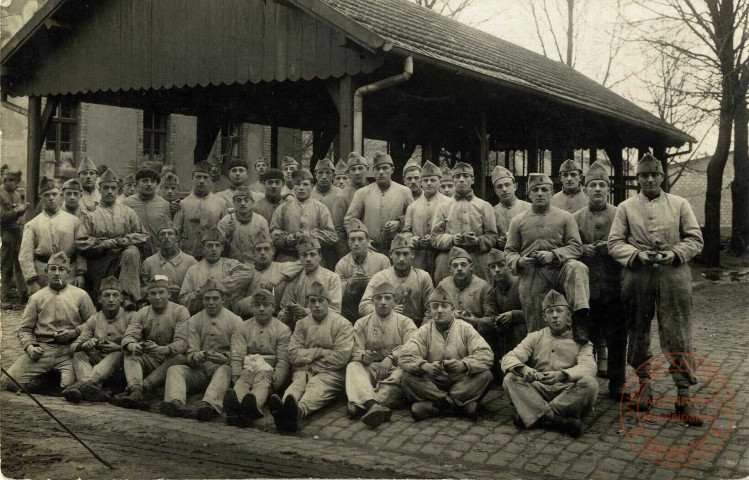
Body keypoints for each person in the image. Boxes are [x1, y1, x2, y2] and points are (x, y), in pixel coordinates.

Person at [608, 153, 704, 424]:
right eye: (643, 175)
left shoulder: (680, 204)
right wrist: (636, 255)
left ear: (662, 177)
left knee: (678, 329)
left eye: (654, 175)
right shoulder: (625, 207)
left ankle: (683, 394)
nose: (649, 179)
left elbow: (695, 239)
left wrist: (674, 254)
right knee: (637, 328)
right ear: (637, 179)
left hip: (674, 276)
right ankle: (644, 385)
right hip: (637, 276)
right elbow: (614, 243)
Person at [505, 173, 591, 343]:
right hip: (532, 274)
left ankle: (581, 317)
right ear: (528, 194)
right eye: (535, 190)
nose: (539, 193)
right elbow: (509, 251)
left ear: (552, 193)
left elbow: (576, 247)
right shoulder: (518, 221)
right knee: (538, 330)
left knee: (578, 267)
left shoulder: (566, 217)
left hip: (559, 269)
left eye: (544, 189)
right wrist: (520, 261)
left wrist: (553, 255)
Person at [501, 290, 598, 438]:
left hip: (566, 390)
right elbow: (509, 357)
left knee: (590, 384)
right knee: (510, 379)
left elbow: (589, 367)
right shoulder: (535, 337)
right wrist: (524, 369)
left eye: (559, 311)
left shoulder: (581, 341)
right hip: (539, 388)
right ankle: (557, 420)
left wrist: (562, 375)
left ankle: (534, 414)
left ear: (568, 315)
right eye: (550, 311)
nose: (554, 315)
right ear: (544, 317)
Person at [0, 252, 96, 392]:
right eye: (53, 269)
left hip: (68, 351)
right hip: (43, 350)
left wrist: (73, 332)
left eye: (61, 269)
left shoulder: (81, 295)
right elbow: (24, 329)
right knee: (9, 381)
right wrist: (30, 347)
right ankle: (46, 379)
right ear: (46, 272)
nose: (57, 273)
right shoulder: (37, 297)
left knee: (69, 385)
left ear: (68, 273)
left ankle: (51, 380)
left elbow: (93, 323)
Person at [268, 281, 354, 432]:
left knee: (316, 387)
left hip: (331, 374)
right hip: (304, 370)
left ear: (329, 302)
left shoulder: (343, 324)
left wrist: (309, 360)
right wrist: (319, 352)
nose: (317, 305)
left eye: (321, 301)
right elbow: (293, 354)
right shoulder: (302, 324)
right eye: (312, 301)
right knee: (297, 385)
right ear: (307, 303)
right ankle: (283, 409)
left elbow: (340, 358)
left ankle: (298, 412)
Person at [399, 285, 494, 421]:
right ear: (430, 311)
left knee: (486, 376)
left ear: (453, 310)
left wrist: (464, 365)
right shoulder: (424, 331)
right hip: (433, 382)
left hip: (461, 380)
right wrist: (425, 366)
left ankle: (434, 407)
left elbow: (486, 354)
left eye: (444, 306)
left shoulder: (465, 328)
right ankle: (460, 406)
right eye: (435, 306)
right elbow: (405, 356)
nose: (440, 311)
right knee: (407, 377)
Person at [573, 160, 624, 390]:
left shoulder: (620, 214)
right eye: (592, 185)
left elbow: (628, 244)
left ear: (608, 189)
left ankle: (617, 383)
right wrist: (583, 249)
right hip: (586, 290)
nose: (597, 189)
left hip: (615, 287)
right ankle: (586, 382)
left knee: (616, 337)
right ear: (585, 190)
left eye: (602, 184)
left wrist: (612, 247)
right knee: (586, 338)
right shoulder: (575, 218)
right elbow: (569, 247)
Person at [162, 280, 242, 421]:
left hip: (222, 372)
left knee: (225, 369)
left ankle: (209, 404)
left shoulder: (235, 321)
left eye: (215, 298)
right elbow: (191, 351)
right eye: (207, 299)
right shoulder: (194, 320)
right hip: (200, 371)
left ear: (223, 300)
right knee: (174, 370)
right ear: (202, 300)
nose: (211, 302)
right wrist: (196, 356)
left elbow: (239, 353)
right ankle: (176, 403)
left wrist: (225, 358)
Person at [346, 282, 418, 428]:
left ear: (394, 302)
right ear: (372, 301)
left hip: (394, 370)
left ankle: (361, 402)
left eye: (387, 298)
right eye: (378, 298)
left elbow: (413, 347)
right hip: (371, 368)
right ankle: (374, 405)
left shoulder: (405, 322)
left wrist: (391, 357)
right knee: (353, 366)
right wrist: (363, 356)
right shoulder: (361, 323)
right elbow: (355, 350)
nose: (383, 302)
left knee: (405, 373)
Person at [115, 275, 190, 409]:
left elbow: (183, 343)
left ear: (169, 294)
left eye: (161, 293)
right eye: (153, 293)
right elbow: (128, 337)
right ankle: (136, 389)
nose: (157, 297)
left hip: (169, 359)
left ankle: (139, 390)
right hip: (151, 358)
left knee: (180, 358)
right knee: (130, 353)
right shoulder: (142, 312)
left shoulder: (180, 311)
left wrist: (162, 349)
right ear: (148, 296)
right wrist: (134, 345)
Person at [76, 169, 148, 308]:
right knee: (103, 306)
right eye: (106, 188)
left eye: (113, 188)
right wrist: (103, 244)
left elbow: (143, 235)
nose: (109, 191)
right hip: (100, 265)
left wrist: (128, 239)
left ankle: (128, 298)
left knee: (131, 251)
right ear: (100, 190)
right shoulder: (91, 215)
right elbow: (81, 242)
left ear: (118, 190)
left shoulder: (127, 212)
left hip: (124, 264)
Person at [223, 289, 291, 427]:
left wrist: (275, 382)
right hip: (247, 368)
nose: (261, 309)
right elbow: (237, 355)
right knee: (242, 382)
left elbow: (283, 361)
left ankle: (252, 407)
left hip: (269, 371)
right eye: (257, 305)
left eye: (266, 305)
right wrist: (236, 375)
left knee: (262, 383)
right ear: (251, 307)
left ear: (273, 307)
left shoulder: (283, 330)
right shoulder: (242, 327)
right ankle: (235, 407)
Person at [64, 276, 130, 403]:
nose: (111, 300)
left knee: (116, 354)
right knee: (79, 354)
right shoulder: (94, 320)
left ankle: (82, 386)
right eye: (106, 295)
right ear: (99, 299)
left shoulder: (131, 317)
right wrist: (85, 344)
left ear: (121, 298)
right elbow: (73, 347)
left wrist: (118, 347)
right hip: (99, 366)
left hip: (121, 370)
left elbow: (140, 344)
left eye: (115, 295)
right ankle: (93, 389)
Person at [431, 162, 498, 284]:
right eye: (457, 177)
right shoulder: (443, 207)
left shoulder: (484, 206)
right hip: (449, 261)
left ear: (472, 180)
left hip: (477, 260)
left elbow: (493, 237)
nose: (461, 180)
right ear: (453, 180)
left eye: (466, 176)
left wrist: (478, 241)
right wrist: (452, 239)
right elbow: (435, 237)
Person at [20, 177, 86, 295]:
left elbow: (81, 250)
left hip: (68, 273)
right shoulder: (32, 224)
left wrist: (80, 274)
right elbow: (25, 255)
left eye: (54, 194)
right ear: (41, 197)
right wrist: (32, 281)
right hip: (43, 275)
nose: (51, 198)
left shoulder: (74, 221)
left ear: (60, 196)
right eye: (46, 195)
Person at [344, 152, 413, 253]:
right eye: (377, 168)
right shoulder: (362, 193)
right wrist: (364, 241)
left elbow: (413, 217)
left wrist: (399, 223)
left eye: (385, 168)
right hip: (370, 249)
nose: (381, 172)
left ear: (392, 170)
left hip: (397, 249)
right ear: (373, 171)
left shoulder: (404, 191)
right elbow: (349, 221)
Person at [360, 233, 434, 327]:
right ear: (390, 255)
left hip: (417, 327)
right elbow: (363, 306)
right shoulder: (380, 277)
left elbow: (431, 309)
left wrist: (422, 332)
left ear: (413, 254)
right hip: (386, 325)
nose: (401, 259)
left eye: (405, 254)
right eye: (397, 254)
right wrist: (386, 310)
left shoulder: (423, 277)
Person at [178, 227, 254, 315]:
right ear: (203, 248)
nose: (214, 249)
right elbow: (183, 300)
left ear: (222, 248)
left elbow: (249, 273)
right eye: (210, 245)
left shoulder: (230, 264)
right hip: (201, 317)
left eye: (217, 245)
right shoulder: (193, 269)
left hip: (228, 315)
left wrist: (221, 285)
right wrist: (200, 294)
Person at [270, 169, 337, 264]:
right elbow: (272, 234)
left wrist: (311, 235)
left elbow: (332, 236)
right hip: (288, 259)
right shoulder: (282, 208)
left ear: (312, 186)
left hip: (314, 260)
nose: (301, 188)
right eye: (297, 184)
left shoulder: (321, 208)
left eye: (305, 184)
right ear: (293, 186)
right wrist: (288, 239)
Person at [435, 246, 497, 346]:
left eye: (463, 265)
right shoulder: (443, 285)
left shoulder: (484, 287)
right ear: (450, 269)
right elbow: (433, 312)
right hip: (448, 336)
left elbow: (492, 320)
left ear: (471, 266)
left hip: (476, 337)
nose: (459, 269)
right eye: (455, 266)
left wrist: (476, 321)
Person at [232, 230, 304, 316]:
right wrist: (258, 297)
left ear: (273, 251)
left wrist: (280, 277)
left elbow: (303, 262)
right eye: (259, 249)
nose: (262, 253)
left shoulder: (282, 267)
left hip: (278, 318)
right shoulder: (246, 272)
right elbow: (236, 307)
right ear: (253, 253)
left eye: (266, 249)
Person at [279, 235, 342, 330]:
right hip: (298, 329)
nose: (308, 259)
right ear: (300, 258)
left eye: (312, 254)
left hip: (325, 328)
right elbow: (282, 310)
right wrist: (287, 314)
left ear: (320, 256)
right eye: (304, 255)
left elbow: (335, 311)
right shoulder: (294, 278)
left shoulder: (332, 278)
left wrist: (305, 311)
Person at [335, 219, 391, 322]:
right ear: (348, 242)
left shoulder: (382, 260)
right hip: (351, 309)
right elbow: (337, 293)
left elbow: (389, 289)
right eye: (352, 239)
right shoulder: (342, 264)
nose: (356, 243)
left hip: (375, 306)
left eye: (360, 239)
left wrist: (371, 283)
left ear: (368, 241)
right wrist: (350, 283)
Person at [401, 160, 451, 275]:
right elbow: (406, 232)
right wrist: (414, 240)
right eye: (425, 180)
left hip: (442, 256)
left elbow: (453, 231)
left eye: (433, 180)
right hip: (419, 257)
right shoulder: (413, 207)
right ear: (421, 182)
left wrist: (435, 240)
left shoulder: (449, 204)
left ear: (440, 181)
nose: (429, 183)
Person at [173, 161, 229, 261]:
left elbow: (225, 231)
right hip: (188, 254)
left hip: (213, 255)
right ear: (192, 179)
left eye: (205, 177)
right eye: (198, 177)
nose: (201, 181)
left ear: (211, 180)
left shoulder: (220, 203)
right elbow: (176, 232)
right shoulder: (183, 204)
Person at [141, 222, 198, 302]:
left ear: (177, 238)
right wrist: (156, 288)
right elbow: (142, 289)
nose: (166, 237)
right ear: (158, 239)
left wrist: (182, 291)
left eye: (170, 233)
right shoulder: (149, 262)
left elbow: (196, 289)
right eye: (162, 234)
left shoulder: (190, 261)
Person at [486, 249, 526, 364]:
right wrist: (496, 321)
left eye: (501, 265)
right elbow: (490, 316)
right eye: (493, 267)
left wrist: (513, 315)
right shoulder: (493, 293)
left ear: (509, 266)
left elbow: (536, 314)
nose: (497, 270)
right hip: (506, 338)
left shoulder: (522, 284)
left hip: (525, 335)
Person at [122, 168, 171, 259]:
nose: (149, 184)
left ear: (157, 185)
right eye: (145, 181)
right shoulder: (126, 204)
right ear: (137, 184)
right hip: (135, 251)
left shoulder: (164, 204)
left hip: (158, 252)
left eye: (152, 181)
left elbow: (168, 229)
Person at [216, 186, 270, 266]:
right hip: (230, 266)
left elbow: (267, 247)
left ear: (252, 202)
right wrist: (228, 234)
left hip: (254, 266)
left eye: (246, 200)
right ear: (233, 203)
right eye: (238, 200)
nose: (242, 203)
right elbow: (217, 247)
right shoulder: (225, 221)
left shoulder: (261, 221)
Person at [331, 153, 370, 261]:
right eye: (353, 169)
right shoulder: (342, 196)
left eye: (360, 168)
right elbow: (338, 230)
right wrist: (346, 256)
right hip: (354, 250)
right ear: (348, 173)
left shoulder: (374, 190)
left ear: (367, 169)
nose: (357, 172)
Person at [0, 168, 28, 307]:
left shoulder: (16, 194)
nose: (17, 186)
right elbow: (1, 217)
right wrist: (17, 211)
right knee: (6, 265)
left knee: (20, 263)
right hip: (4, 233)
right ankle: (3, 298)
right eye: (15, 182)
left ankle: (23, 295)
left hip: (16, 232)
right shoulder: (0, 193)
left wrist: (21, 210)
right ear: (7, 180)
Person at [310, 159, 342, 268]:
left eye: (328, 173)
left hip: (335, 246)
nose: (324, 176)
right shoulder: (308, 194)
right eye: (320, 173)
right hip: (312, 245)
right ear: (315, 175)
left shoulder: (341, 194)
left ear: (333, 175)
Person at [491, 166, 530, 250]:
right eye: (499, 187)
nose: (504, 189)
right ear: (495, 191)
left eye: (507, 185)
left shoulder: (529, 208)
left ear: (515, 186)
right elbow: (490, 236)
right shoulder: (491, 212)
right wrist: (498, 241)